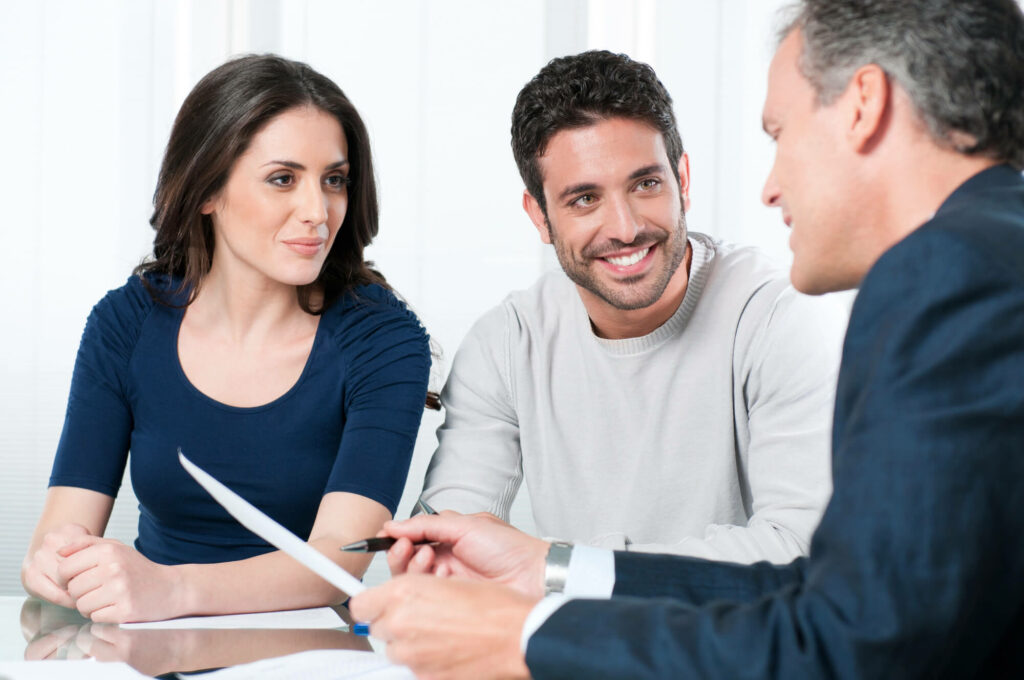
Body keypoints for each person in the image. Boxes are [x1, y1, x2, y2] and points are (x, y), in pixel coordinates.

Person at [350, 0, 1024, 677]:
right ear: (540, 213)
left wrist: (530, 638)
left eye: (780, 132)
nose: (769, 186)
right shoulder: (988, 254)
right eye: (584, 198)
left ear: (864, 103)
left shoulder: (947, 275)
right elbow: (851, 600)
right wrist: (550, 568)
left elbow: (851, 639)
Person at [21, 54, 434, 624]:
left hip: (309, 655)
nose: (318, 211)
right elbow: (62, 526)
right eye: (283, 179)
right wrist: (53, 562)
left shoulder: (383, 339)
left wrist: (172, 590)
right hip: (148, 642)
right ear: (207, 190)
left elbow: (336, 562)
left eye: (334, 180)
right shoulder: (126, 323)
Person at [418, 50, 846, 563]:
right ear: (539, 215)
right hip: (578, 638)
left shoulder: (779, 317)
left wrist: (557, 570)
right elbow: (446, 546)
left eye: (646, 184)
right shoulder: (507, 344)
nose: (624, 227)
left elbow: (800, 546)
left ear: (682, 181)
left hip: (738, 640)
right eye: (584, 199)